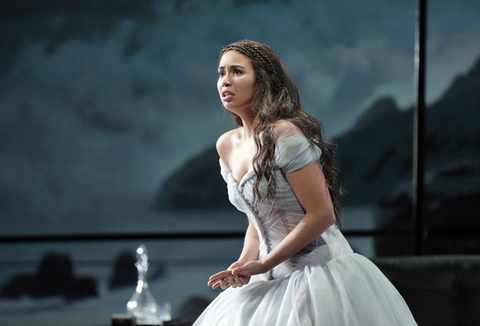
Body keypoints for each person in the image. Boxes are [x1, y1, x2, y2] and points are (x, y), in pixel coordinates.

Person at [193, 40, 417, 325]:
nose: (225, 81)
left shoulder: (283, 134)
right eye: (221, 73)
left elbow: (322, 215)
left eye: (237, 72)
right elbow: (256, 218)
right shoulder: (226, 144)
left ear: (262, 81)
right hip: (269, 276)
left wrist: (264, 263)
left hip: (319, 276)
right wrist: (245, 263)